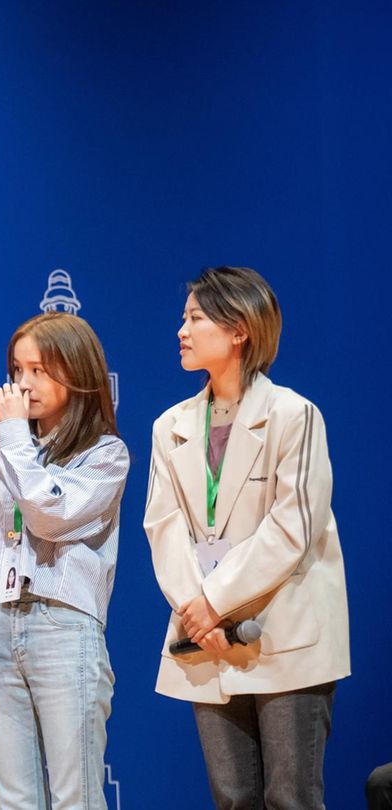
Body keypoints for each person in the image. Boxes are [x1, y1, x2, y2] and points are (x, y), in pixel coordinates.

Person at [145, 267, 349, 809]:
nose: (181, 330)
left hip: (284, 630)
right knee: (233, 799)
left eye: (195, 318)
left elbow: (293, 527)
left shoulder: (293, 415)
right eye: (183, 318)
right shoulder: (171, 425)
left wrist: (214, 601)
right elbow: (163, 527)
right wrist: (197, 610)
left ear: (239, 330)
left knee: (291, 798)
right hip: (204, 636)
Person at [0, 312, 127, 809]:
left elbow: (49, 515)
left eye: (40, 370)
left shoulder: (105, 455)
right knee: (14, 802)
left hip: (62, 626)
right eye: (17, 371)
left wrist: (15, 437)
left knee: (77, 797)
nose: (24, 385)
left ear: (79, 373)